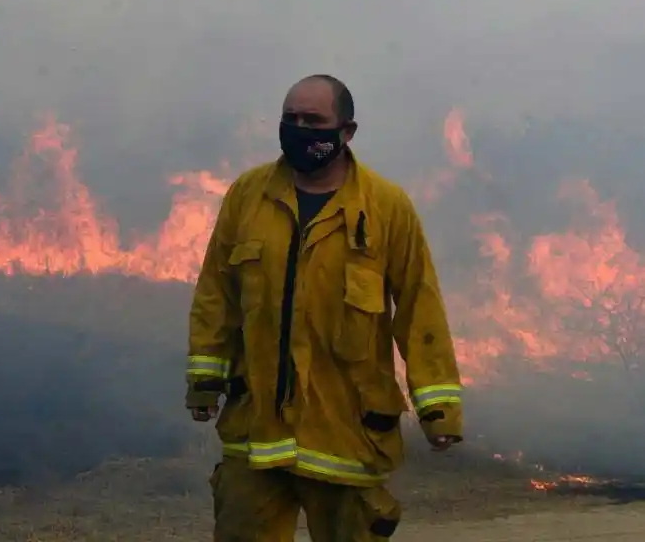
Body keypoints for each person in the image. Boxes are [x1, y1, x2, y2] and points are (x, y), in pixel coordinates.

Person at [185, 74, 463, 541]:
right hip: (257, 433)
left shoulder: (387, 208)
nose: (299, 130)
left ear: (347, 132)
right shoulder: (247, 197)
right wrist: (205, 381)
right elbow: (217, 295)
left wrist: (439, 409)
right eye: (289, 119)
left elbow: (420, 308)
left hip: (348, 433)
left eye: (313, 121)